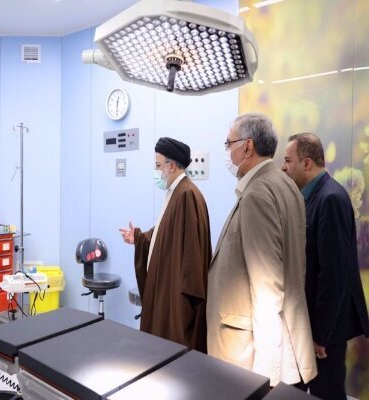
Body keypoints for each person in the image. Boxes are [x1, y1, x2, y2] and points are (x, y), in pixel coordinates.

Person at [207, 113, 317, 387]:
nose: (227, 151)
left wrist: (265, 375)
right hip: (277, 333)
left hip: (246, 348)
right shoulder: (286, 185)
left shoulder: (257, 193)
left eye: (229, 143)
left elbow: (267, 286)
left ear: (247, 147)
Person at [282, 133, 369, 399]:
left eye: (288, 160)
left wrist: (320, 335)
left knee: (327, 392)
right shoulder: (312, 197)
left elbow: (333, 275)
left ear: (307, 163)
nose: (283, 167)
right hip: (311, 325)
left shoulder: (330, 198)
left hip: (324, 331)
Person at [119, 137, 211, 353]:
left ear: (171, 166)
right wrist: (138, 238)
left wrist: (182, 302)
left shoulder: (186, 194)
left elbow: (191, 253)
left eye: (158, 165)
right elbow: (165, 234)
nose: (156, 171)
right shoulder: (176, 193)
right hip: (170, 288)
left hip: (178, 296)